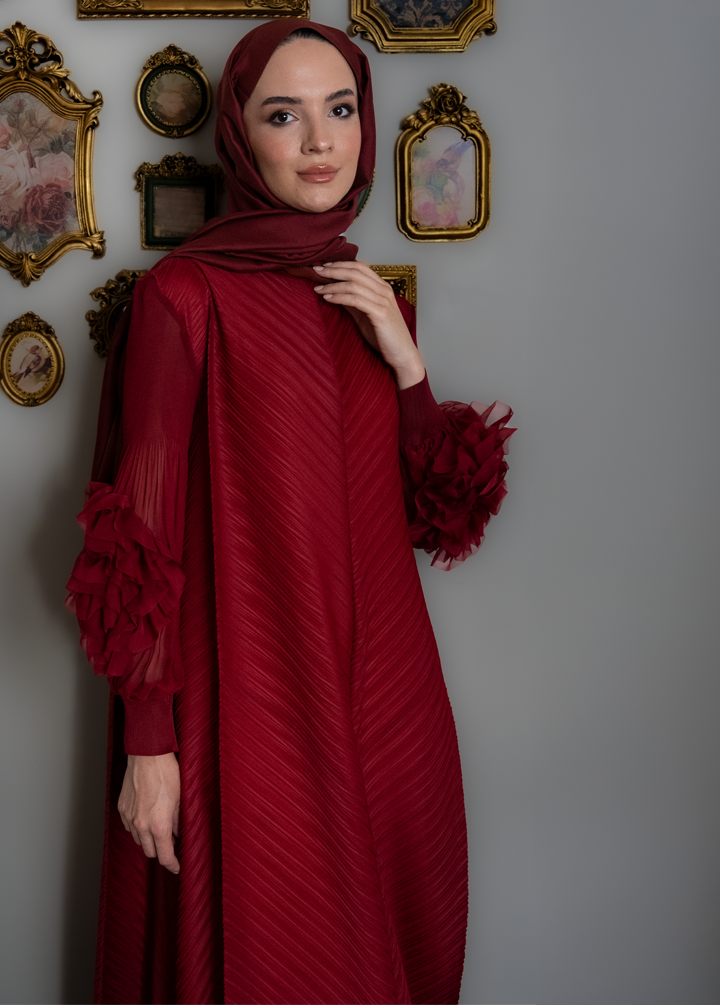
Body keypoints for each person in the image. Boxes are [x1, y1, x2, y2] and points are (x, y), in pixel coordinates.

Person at [67, 19, 513, 1005]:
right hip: (256, 699)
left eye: (340, 108)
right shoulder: (183, 299)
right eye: (284, 114)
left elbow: (444, 518)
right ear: (240, 135)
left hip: (391, 707)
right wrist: (148, 741)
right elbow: (138, 535)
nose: (320, 141)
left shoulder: (368, 298)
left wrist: (409, 367)